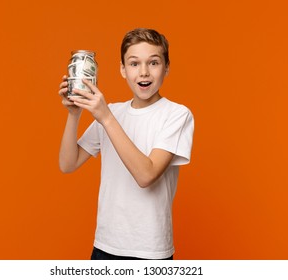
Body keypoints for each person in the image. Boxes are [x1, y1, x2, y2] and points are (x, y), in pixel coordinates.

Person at [58, 28, 194, 260]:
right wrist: (74, 115)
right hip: (105, 245)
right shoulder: (112, 112)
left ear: (167, 67)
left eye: (153, 63)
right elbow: (67, 164)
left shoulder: (177, 115)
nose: (143, 72)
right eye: (133, 64)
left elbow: (146, 175)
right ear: (122, 69)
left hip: (150, 251)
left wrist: (106, 117)